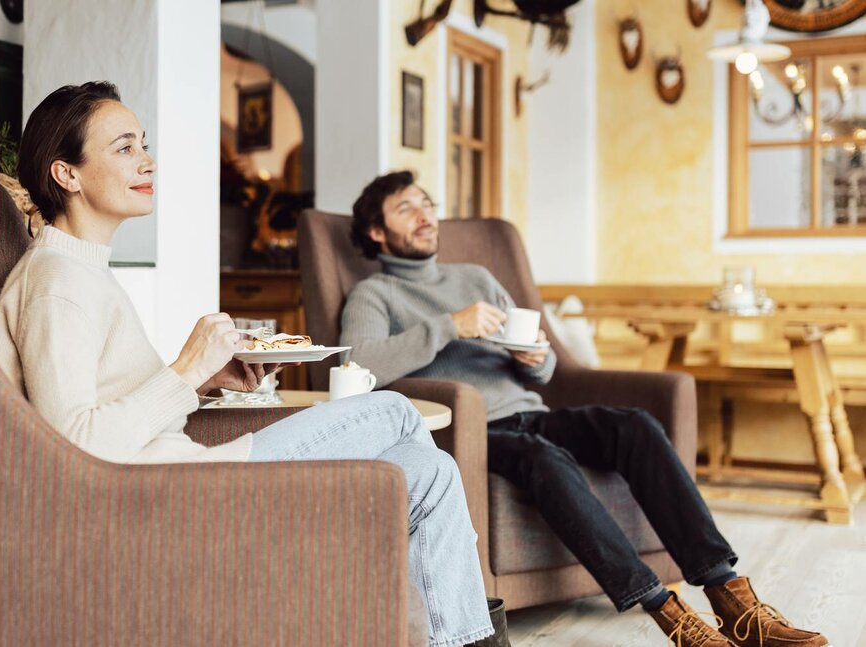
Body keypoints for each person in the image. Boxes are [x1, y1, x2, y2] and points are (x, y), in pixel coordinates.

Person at [0, 82, 498, 647]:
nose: (147, 160)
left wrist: (203, 384)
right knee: (396, 413)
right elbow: (75, 444)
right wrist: (185, 369)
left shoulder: (82, 272)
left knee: (430, 472)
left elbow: (116, 408)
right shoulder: (57, 285)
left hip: (182, 472)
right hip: (172, 494)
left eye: (144, 144)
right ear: (68, 174)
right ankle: (442, 629)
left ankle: (446, 633)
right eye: (124, 147)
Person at [339, 170, 829, 647]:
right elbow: (357, 366)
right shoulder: (375, 294)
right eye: (407, 208)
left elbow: (545, 368)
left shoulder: (476, 277)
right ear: (377, 232)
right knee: (544, 458)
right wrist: (449, 325)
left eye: (427, 203)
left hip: (530, 411)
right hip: (473, 430)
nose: (425, 215)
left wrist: (536, 356)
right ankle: (666, 611)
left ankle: (730, 597)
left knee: (634, 426)